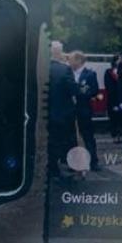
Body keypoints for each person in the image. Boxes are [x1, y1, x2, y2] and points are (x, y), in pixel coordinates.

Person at [48, 42, 80, 176]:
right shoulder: (65, 69)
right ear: (59, 53)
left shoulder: (41, 68)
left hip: (46, 112)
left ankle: (51, 168)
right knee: (63, 140)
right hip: (63, 114)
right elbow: (74, 90)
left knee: (50, 141)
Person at [70, 51, 102, 169]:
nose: (70, 62)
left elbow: (94, 91)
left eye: (72, 59)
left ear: (79, 60)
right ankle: (73, 163)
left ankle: (93, 161)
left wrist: (79, 94)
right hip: (70, 110)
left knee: (88, 136)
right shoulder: (68, 73)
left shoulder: (90, 74)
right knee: (72, 137)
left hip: (84, 110)